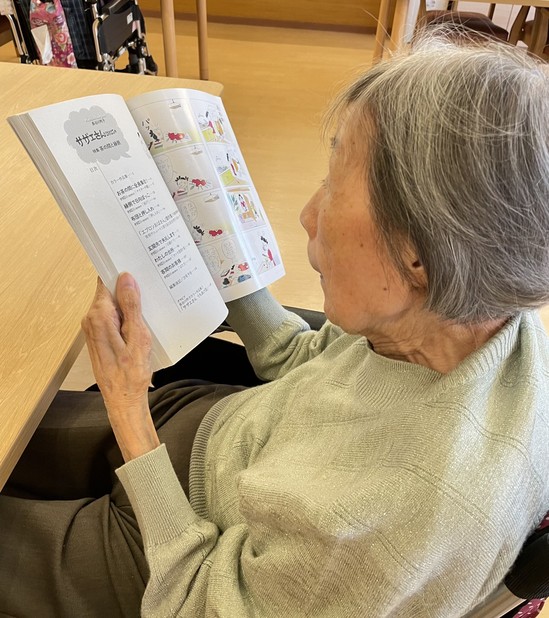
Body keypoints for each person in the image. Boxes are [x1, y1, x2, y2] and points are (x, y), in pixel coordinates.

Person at [2, 33, 549, 618]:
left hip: (177, 560)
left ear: (419, 255)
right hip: (218, 434)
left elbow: (203, 604)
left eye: (335, 185)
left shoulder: (402, 519)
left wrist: (129, 411)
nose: (308, 214)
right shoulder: (472, 318)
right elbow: (312, 363)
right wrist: (220, 251)